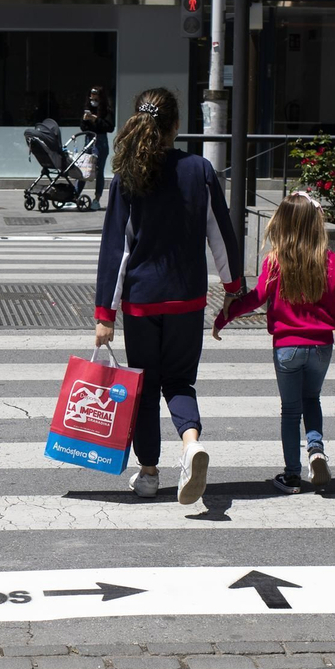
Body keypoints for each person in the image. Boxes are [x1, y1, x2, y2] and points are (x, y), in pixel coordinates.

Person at [95, 87, 244, 504]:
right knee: (179, 381)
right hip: (187, 299)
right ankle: (191, 444)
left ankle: (148, 472)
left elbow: (116, 249)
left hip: (142, 301)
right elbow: (221, 235)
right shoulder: (199, 170)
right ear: (176, 126)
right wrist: (233, 290)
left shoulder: (128, 175)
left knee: (144, 386)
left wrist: (104, 312)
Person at [211, 191, 335, 493]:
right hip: (322, 347)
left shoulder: (275, 262)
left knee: (290, 410)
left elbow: (255, 298)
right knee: (312, 399)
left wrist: (224, 317)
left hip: (287, 348)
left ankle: (291, 474)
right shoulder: (329, 260)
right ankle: (315, 449)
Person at [81, 85, 114, 209]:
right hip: (88, 140)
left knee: (99, 170)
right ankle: (75, 195)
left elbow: (109, 127)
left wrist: (96, 120)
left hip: (100, 141)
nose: (93, 97)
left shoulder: (106, 110)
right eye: (91, 94)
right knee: (83, 168)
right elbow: (83, 127)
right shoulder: (88, 108)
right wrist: (85, 120)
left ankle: (97, 199)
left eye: (95, 95)